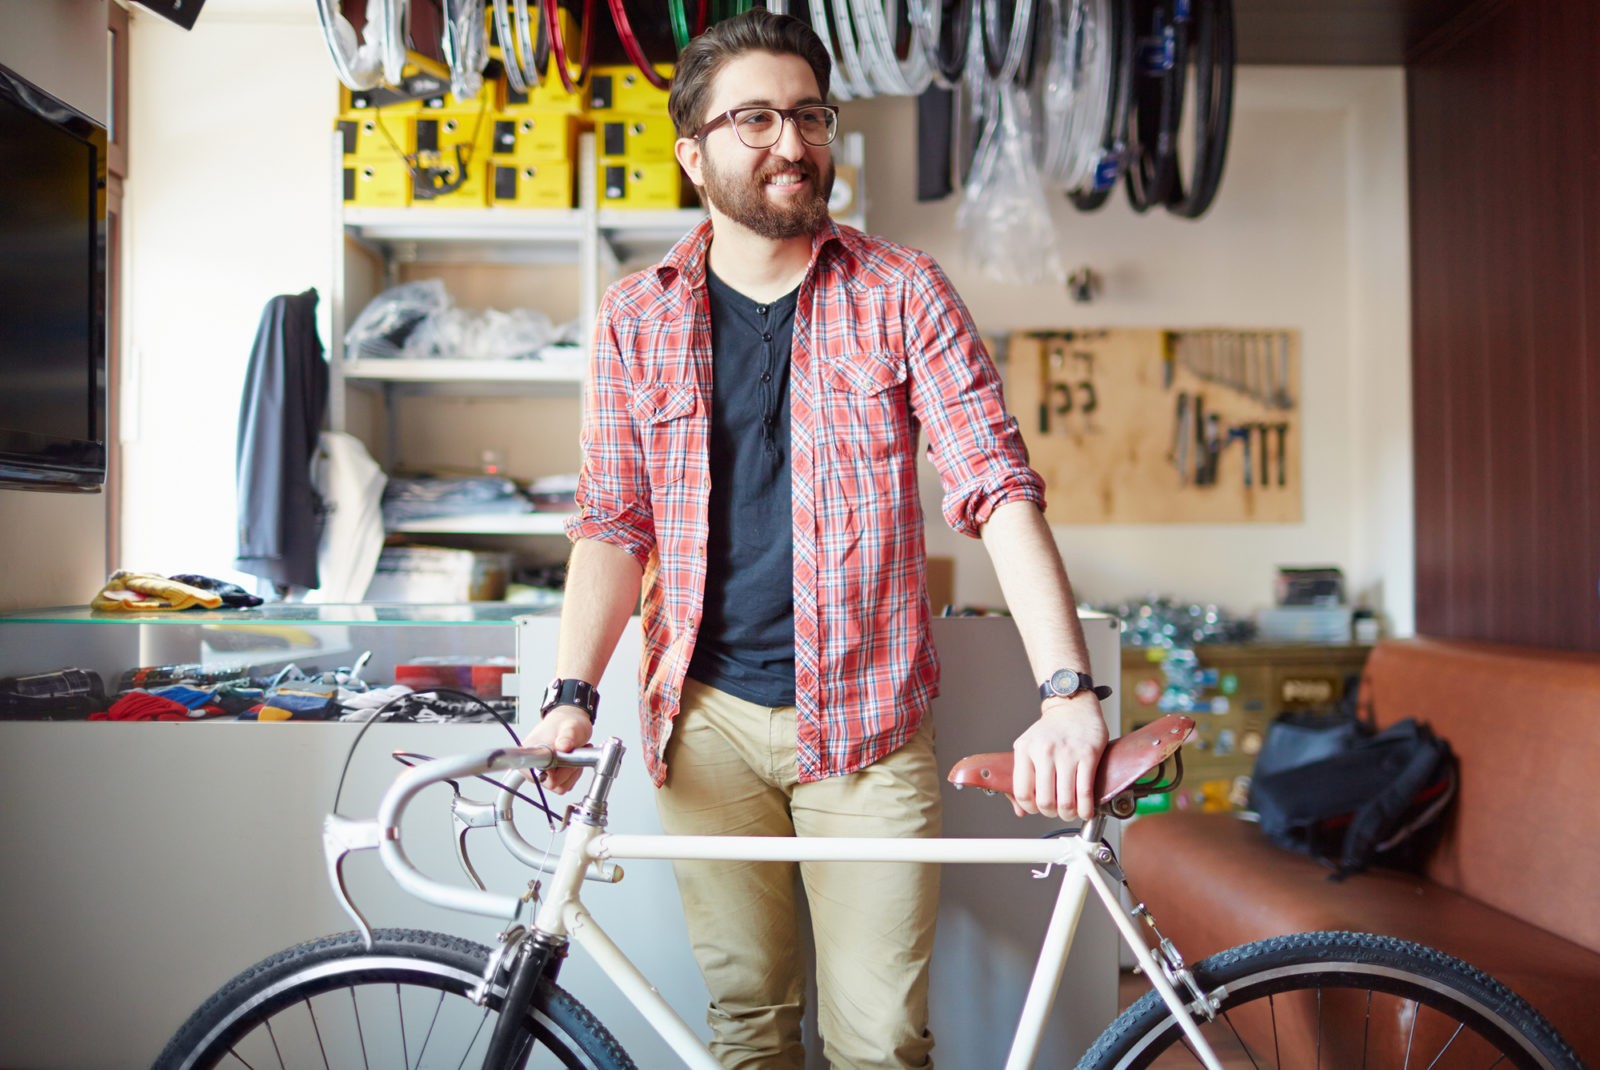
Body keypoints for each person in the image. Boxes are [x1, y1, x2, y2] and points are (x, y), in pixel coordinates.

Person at [525, 10, 1109, 1068]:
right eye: (753, 118)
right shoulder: (634, 316)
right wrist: (569, 697)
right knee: (746, 1027)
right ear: (691, 150)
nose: (790, 142)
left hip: (870, 728)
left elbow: (997, 486)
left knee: (881, 1040)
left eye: (807, 115)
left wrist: (1067, 691)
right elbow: (614, 520)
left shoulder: (900, 291)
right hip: (699, 724)